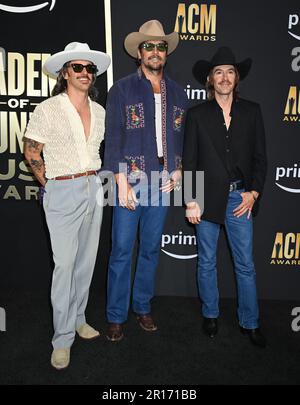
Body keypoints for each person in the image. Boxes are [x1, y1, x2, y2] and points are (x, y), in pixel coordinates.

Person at [24, 42, 110, 369]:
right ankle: (61, 339)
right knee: (64, 267)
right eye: (78, 67)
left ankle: (78, 318)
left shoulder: (100, 111)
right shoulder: (48, 109)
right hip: (61, 187)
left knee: (85, 263)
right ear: (65, 73)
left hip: (93, 185)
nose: (85, 73)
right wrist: (52, 187)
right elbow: (32, 152)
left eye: (90, 68)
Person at [104, 20, 187, 341]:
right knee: (122, 249)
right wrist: (120, 182)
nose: (155, 51)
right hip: (128, 179)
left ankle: (142, 306)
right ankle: (115, 315)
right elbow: (112, 140)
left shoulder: (178, 93)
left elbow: (182, 140)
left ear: (166, 53)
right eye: (149, 46)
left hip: (163, 182)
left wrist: (179, 170)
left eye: (160, 46)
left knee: (151, 249)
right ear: (139, 52)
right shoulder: (121, 89)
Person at [183, 46, 267, 348]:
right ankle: (210, 314)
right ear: (210, 79)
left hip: (239, 199)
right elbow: (189, 160)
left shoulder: (252, 111)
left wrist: (253, 193)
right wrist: (191, 200)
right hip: (205, 198)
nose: (224, 77)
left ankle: (250, 321)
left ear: (237, 78)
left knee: (245, 264)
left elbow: (261, 159)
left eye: (230, 71)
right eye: (218, 72)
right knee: (206, 261)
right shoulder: (196, 115)